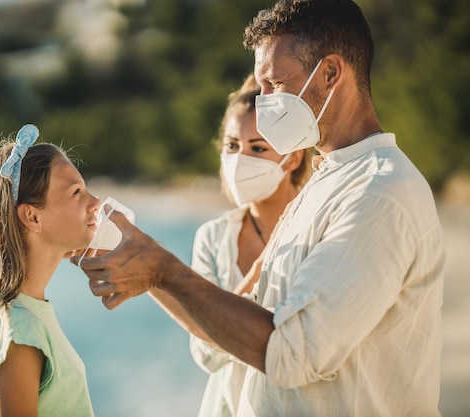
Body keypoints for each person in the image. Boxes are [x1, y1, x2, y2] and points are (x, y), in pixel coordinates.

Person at [72, 1, 445, 416]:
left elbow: (294, 354)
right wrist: (150, 268)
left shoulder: (379, 191)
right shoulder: (327, 179)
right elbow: (240, 335)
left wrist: (166, 270)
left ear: (330, 73)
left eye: (276, 83)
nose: (263, 102)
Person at [0, 124, 99, 417]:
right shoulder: (19, 331)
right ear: (32, 216)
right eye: (76, 192)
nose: (95, 202)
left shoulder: (22, 316)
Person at [188, 73, 311, 417]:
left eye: (258, 148)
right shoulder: (212, 237)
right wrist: (252, 279)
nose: (240, 159)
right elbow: (204, 352)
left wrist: (228, 318)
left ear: (294, 157)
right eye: (232, 146)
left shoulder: (318, 225)